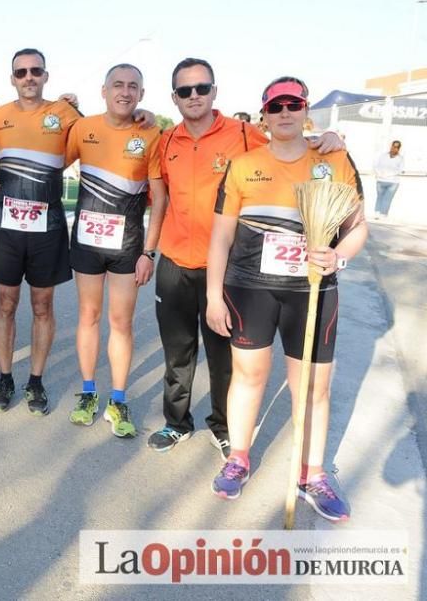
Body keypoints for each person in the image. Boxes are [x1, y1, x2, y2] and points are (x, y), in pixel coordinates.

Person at [147, 58, 345, 458]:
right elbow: (159, 198)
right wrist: (149, 251)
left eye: (202, 88)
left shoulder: (243, 134)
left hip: (227, 267)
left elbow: (288, 146)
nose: (194, 96)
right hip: (174, 262)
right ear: (174, 97)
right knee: (177, 351)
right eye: (185, 91)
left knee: (224, 355)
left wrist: (329, 138)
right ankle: (175, 422)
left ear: (214, 91)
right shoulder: (165, 141)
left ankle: (223, 427)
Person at [206, 76, 367, 522]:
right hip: (249, 288)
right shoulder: (242, 165)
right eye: (275, 105)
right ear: (264, 113)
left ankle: (312, 474)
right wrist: (213, 297)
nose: (284, 112)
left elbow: (357, 227)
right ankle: (238, 459)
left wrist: (337, 256)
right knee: (249, 376)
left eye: (292, 104)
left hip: (313, 292)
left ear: (305, 108)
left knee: (314, 388)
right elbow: (220, 237)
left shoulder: (332, 159)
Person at [65, 64, 166, 436]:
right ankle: (89, 392)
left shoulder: (151, 133)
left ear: (141, 93)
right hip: (87, 243)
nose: (125, 92)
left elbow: (161, 199)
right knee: (88, 316)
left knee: (120, 322)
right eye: (118, 85)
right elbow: (49, 161)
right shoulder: (83, 127)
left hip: (128, 247)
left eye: (132, 86)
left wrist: (149, 252)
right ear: (103, 90)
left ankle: (118, 400)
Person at [0, 48, 82, 415]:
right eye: (21, 72)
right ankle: (5, 377)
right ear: (12, 78)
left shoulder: (64, 113)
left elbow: (101, 136)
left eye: (35, 71)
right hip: (7, 225)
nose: (28, 77)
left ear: (45, 75)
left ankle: (35, 381)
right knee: (5, 303)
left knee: (43, 305)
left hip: (48, 224)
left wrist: (143, 116)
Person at [373, 140, 404, 219]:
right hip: (381, 180)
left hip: (393, 181)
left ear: (399, 148)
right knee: (379, 196)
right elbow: (376, 165)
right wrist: (378, 173)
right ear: (391, 146)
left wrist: (389, 174)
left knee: (388, 198)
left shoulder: (400, 158)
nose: (394, 148)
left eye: (397, 147)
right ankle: (377, 212)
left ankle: (383, 213)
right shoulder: (383, 156)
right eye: (393, 146)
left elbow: (400, 170)